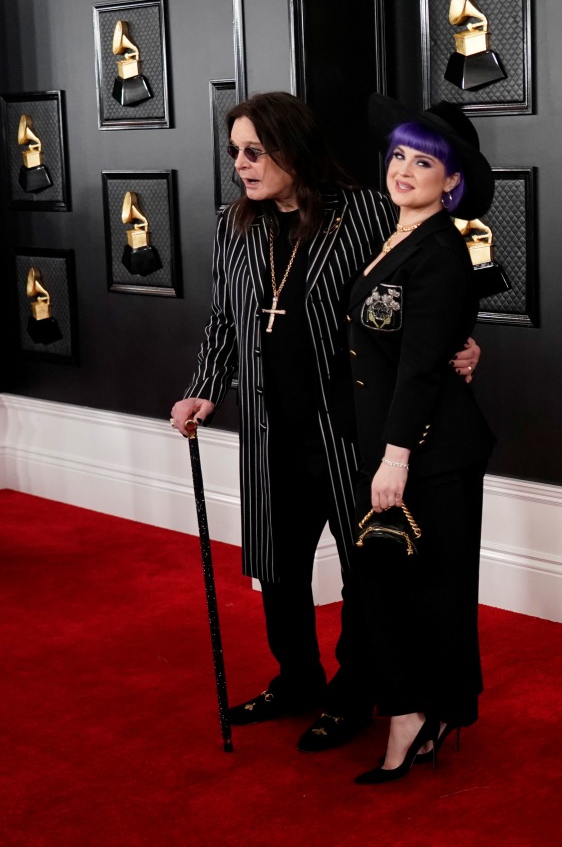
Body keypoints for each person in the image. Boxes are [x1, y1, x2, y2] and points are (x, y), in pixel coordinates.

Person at [170, 91, 481, 753]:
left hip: (347, 431)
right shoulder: (235, 224)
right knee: (277, 567)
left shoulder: (366, 210)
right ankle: (297, 679)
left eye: (255, 151)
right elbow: (223, 319)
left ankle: (352, 692)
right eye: (236, 153)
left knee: (364, 571)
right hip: (268, 429)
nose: (242, 166)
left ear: (294, 148)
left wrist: (463, 339)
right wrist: (203, 389)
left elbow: (428, 277)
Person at [346, 94, 496, 784]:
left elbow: (419, 366)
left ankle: (414, 713)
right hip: (395, 442)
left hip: (428, 451)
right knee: (401, 586)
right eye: (399, 155)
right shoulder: (395, 235)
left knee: (417, 589)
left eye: (424, 161)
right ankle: (425, 711)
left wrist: (396, 455)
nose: (405, 169)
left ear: (452, 180)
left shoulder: (443, 251)